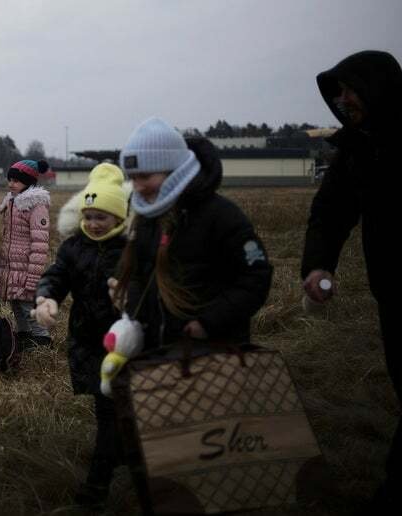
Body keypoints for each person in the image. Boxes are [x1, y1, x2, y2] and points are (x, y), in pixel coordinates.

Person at [105, 117, 272, 507]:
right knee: (158, 458)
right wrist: (131, 316)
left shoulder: (221, 217)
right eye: (132, 178)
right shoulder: (146, 216)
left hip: (210, 358)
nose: (138, 186)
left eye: (145, 175)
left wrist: (208, 322)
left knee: (207, 462)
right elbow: (141, 276)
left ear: (173, 168)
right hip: (154, 357)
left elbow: (256, 276)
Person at [301, 50, 402, 513]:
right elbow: (331, 211)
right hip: (395, 290)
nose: (342, 100)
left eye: (349, 89)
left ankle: (396, 484)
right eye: (338, 92)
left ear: (377, 88)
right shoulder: (358, 145)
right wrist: (317, 265)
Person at [31, 163, 130, 507]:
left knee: (113, 411)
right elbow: (57, 277)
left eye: (101, 216)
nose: (92, 223)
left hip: (127, 345)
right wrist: (46, 298)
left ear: (119, 218)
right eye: (88, 216)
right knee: (111, 411)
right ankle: (121, 456)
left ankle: (97, 488)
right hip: (89, 341)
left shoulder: (131, 249)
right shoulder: (74, 247)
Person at [0, 159, 52, 348]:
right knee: (15, 301)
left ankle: (42, 338)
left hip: (26, 265)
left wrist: (33, 275)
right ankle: (25, 333)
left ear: (28, 182)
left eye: (16, 181)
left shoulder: (36, 207)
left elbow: (40, 243)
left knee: (28, 304)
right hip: (12, 265)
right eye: (10, 180)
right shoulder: (12, 203)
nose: (11, 184)